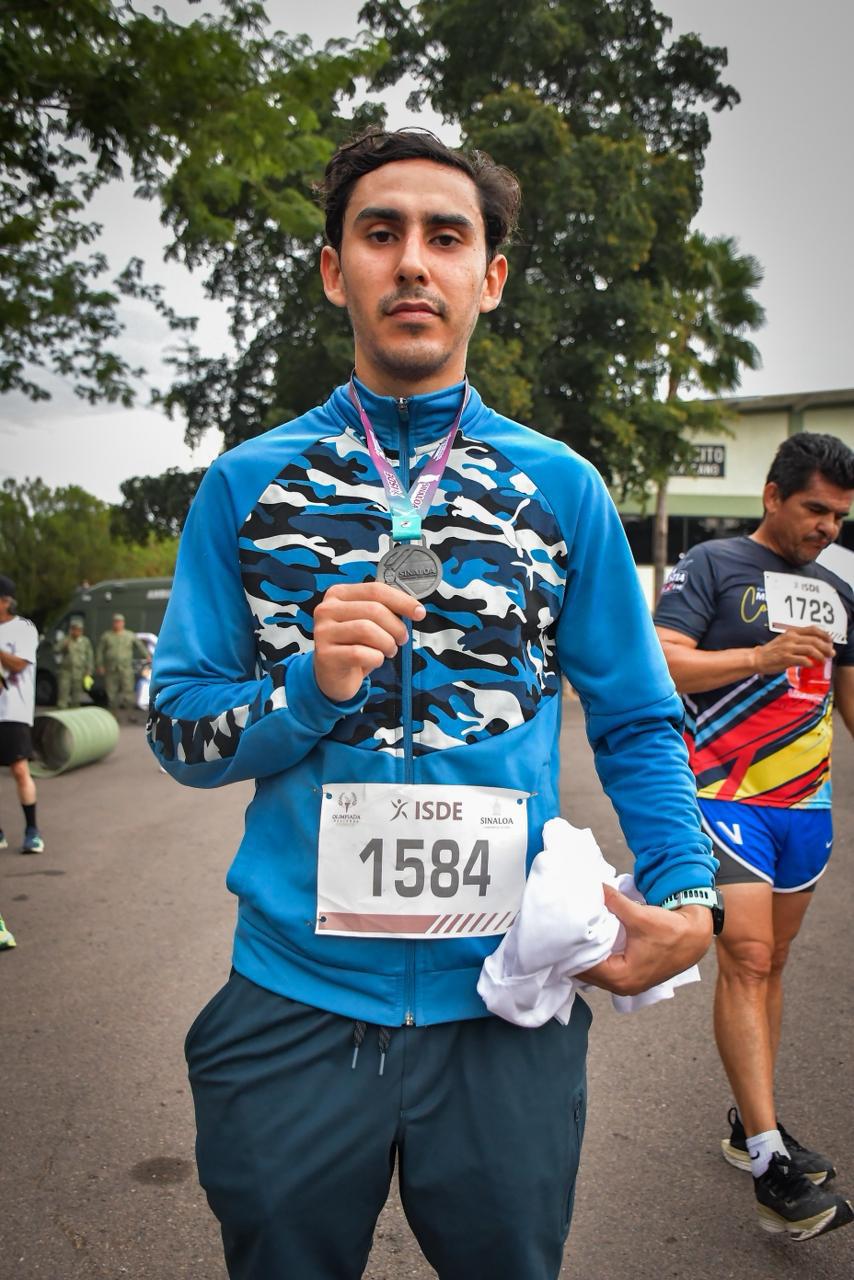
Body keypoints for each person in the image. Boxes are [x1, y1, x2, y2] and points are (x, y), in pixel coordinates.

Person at [149, 128, 720, 1280]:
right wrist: (304, 687)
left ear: (488, 278)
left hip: (505, 1004)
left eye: (445, 236)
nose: (413, 261)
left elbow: (635, 716)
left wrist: (686, 887)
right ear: (334, 270)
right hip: (292, 1009)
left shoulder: (559, 487)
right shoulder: (250, 485)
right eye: (380, 232)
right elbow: (177, 724)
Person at [654, 431, 854, 1242]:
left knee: (774, 968)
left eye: (840, 516)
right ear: (773, 495)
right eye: (815, 509)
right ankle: (771, 1162)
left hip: (805, 808)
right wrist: (759, 657)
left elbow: (849, 698)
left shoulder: (839, 591)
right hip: (722, 792)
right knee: (749, 957)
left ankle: (749, 1123)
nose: (827, 528)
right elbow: (662, 661)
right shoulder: (711, 566)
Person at [0, 574, 44, 854]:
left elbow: (18, 666)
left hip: (13, 712)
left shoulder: (24, 628)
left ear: (5, 601)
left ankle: (32, 831)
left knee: (19, 769)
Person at [95, 613, 149, 717]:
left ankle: (130, 714)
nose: (117, 624)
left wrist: (147, 655)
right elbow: (100, 651)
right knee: (111, 693)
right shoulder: (107, 636)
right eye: (115, 622)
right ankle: (113, 715)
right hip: (111, 668)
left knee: (128, 692)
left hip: (125, 668)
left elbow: (140, 645)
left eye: (119, 622)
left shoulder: (129, 635)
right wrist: (100, 665)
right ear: (113, 623)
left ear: (123, 623)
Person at [55, 615, 94, 708]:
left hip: (79, 672)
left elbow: (90, 657)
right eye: (74, 629)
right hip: (66, 672)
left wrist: (89, 671)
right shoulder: (66, 639)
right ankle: (62, 713)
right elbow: (56, 649)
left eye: (79, 630)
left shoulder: (85, 641)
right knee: (63, 696)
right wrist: (64, 645)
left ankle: (74, 714)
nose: (77, 632)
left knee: (76, 697)